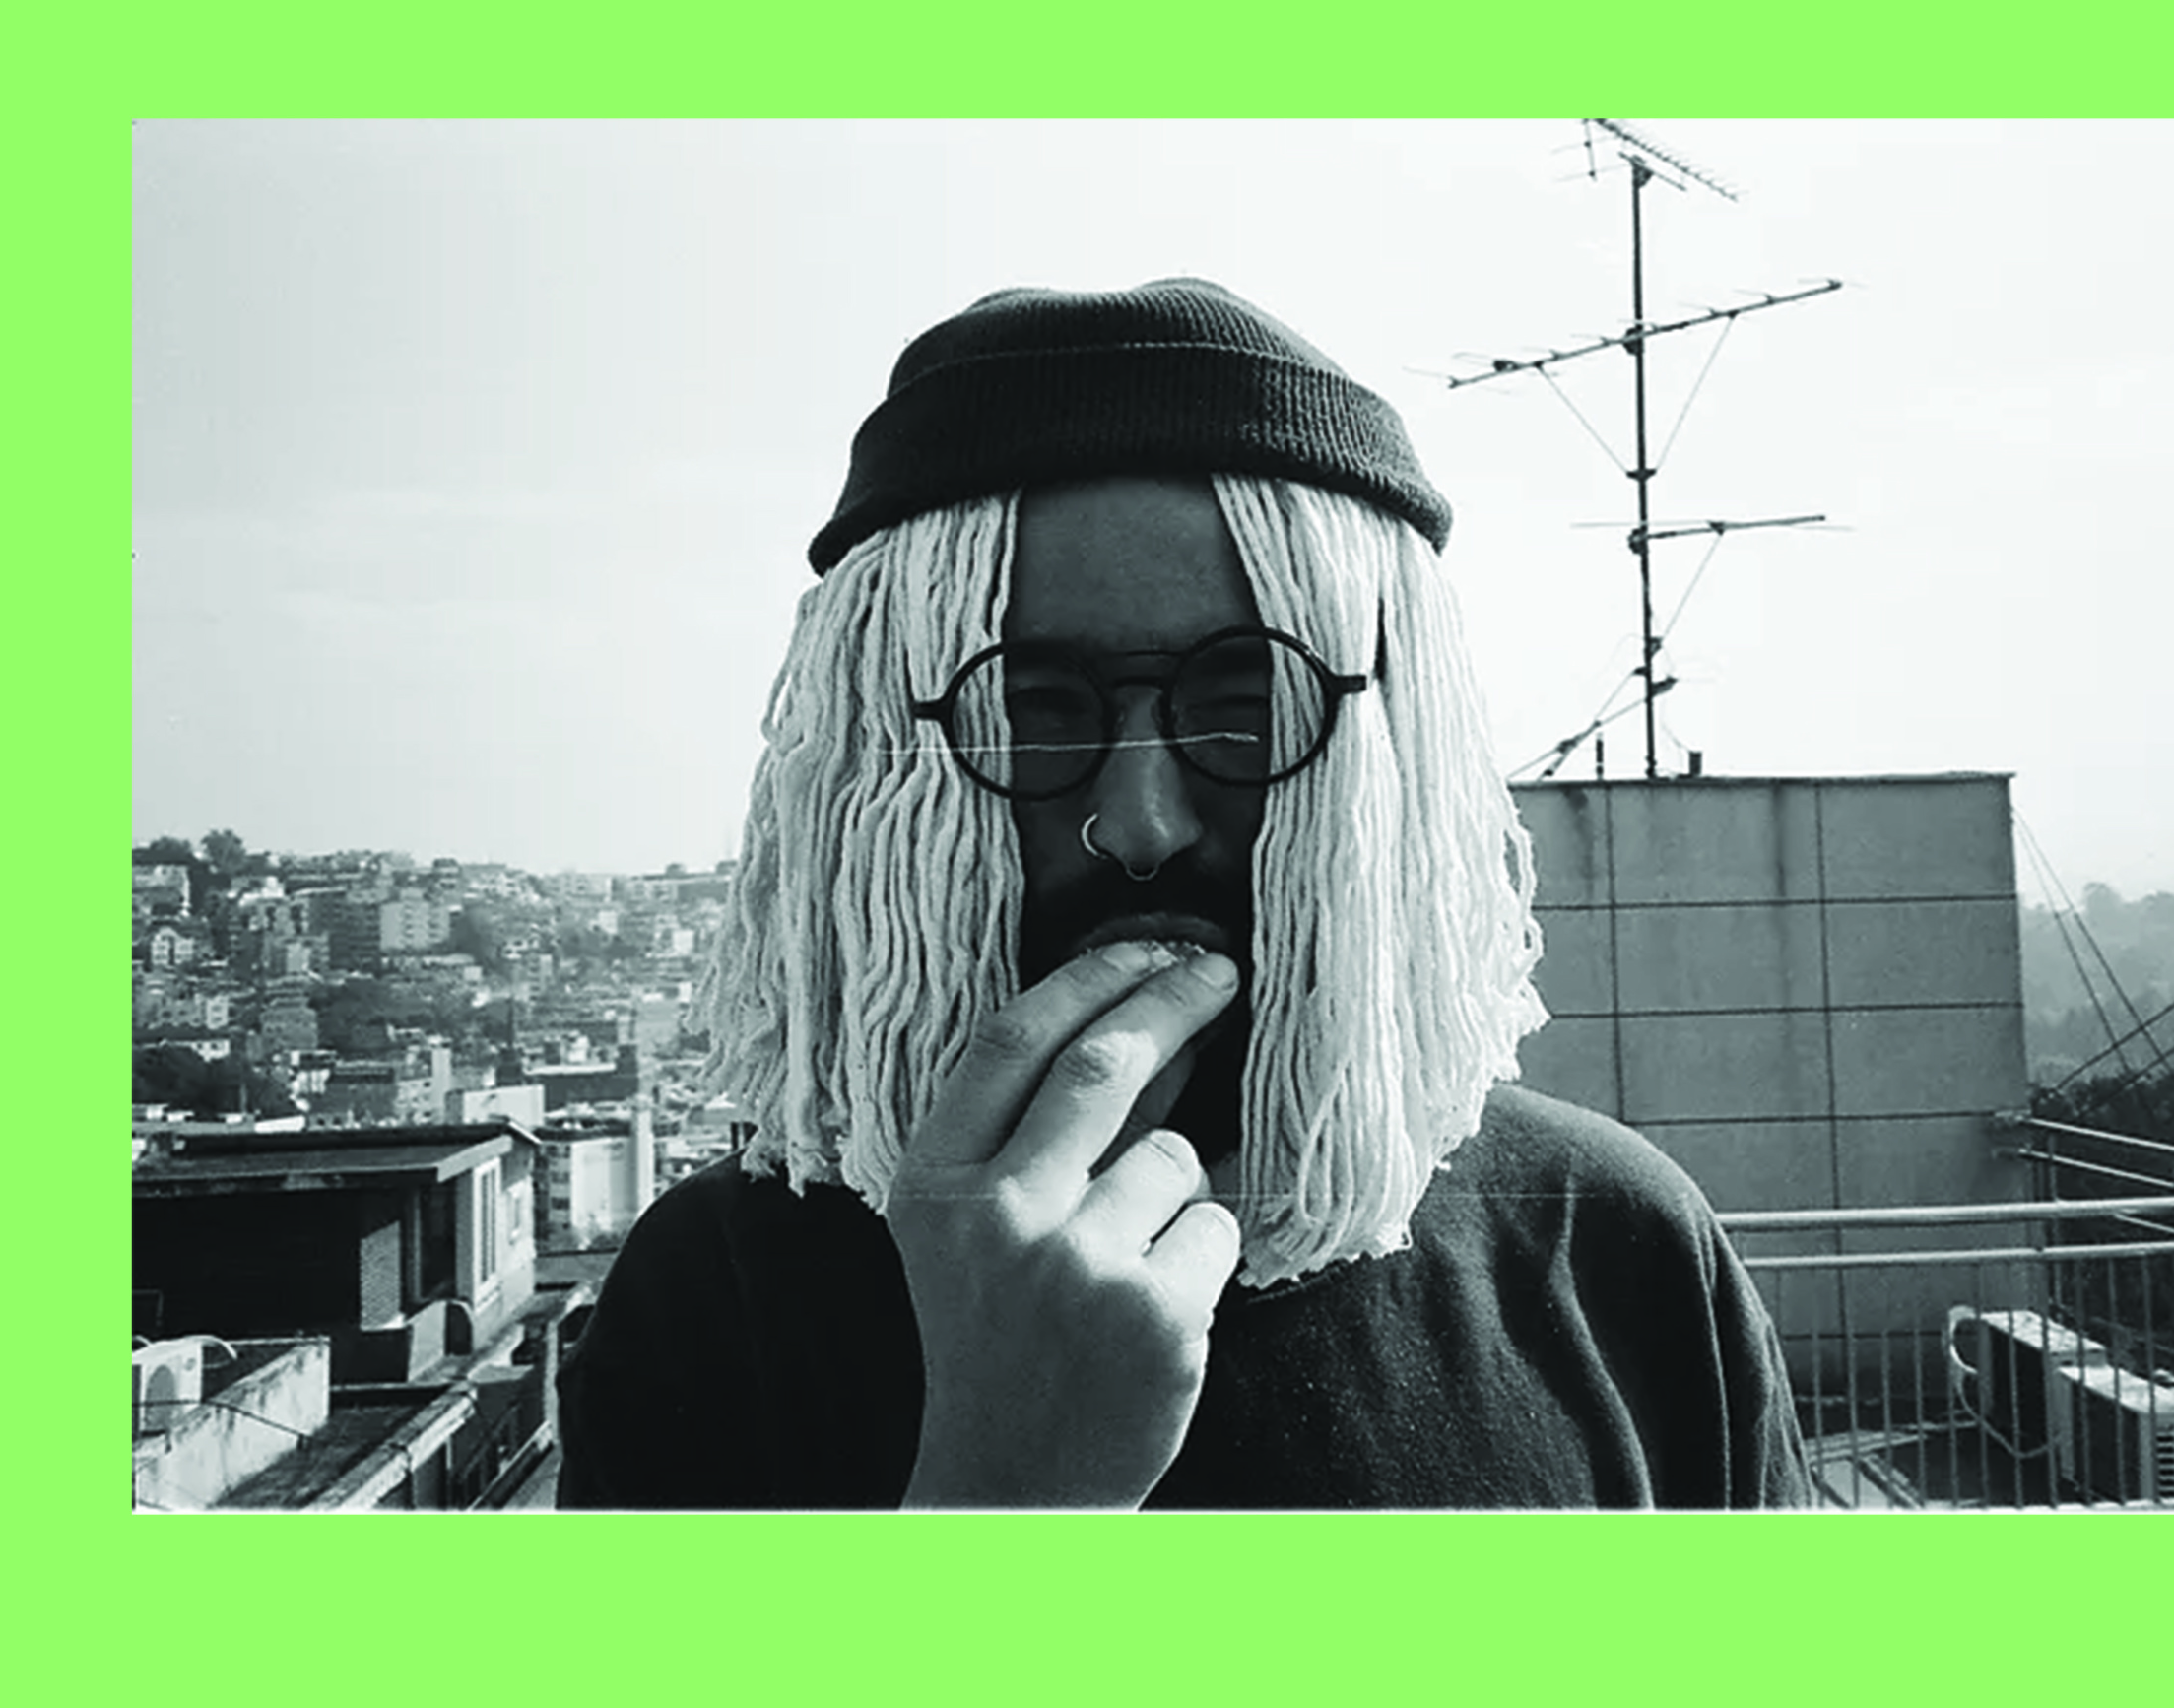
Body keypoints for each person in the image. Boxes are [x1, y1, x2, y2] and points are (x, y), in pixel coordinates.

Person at [557, 278, 1811, 1509]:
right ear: (871, 766)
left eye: (1249, 705)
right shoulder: (714, 1304)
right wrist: (1007, 1502)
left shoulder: (1612, 1246)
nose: (1142, 824)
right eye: (1030, 711)